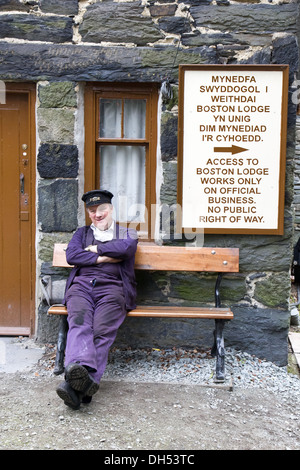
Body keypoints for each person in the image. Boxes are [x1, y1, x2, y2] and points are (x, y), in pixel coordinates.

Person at [56, 189, 138, 409]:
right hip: (81, 287)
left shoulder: (127, 233)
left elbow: (126, 248)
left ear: (110, 209)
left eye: (101, 209)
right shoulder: (80, 233)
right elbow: (72, 255)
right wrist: (104, 258)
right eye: (92, 211)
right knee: (80, 323)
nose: (97, 214)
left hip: (113, 289)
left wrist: (94, 249)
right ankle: (86, 383)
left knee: (101, 330)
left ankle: (74, 386)